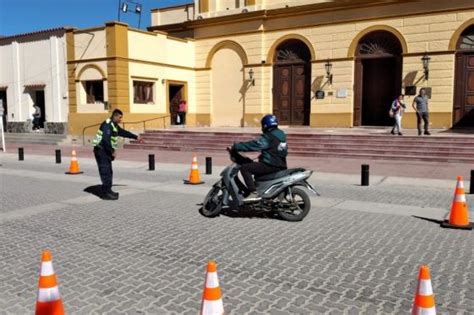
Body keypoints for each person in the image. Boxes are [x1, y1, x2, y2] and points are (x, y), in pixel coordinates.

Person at [232, 114, 288, 202]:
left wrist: (237, 146)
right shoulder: (281, 134)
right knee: (256, 171)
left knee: (245, 168)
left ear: (265, 125)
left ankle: (254, 193)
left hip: (270, 165)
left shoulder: (269, 136)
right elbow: (275, 149)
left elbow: (255, 145)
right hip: (281, 164)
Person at [92, 109, 143, 200]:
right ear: (115, 116)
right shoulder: (107, 125)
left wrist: (135, 137)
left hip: (105, 150)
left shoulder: (114, 125)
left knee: (109, 171)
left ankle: (108, 190)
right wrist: (112, 151)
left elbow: (122, 132)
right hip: (101, 150)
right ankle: (105, 194)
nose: (121, 119)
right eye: (120, 117)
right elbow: (105, 140)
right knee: (105, 171)